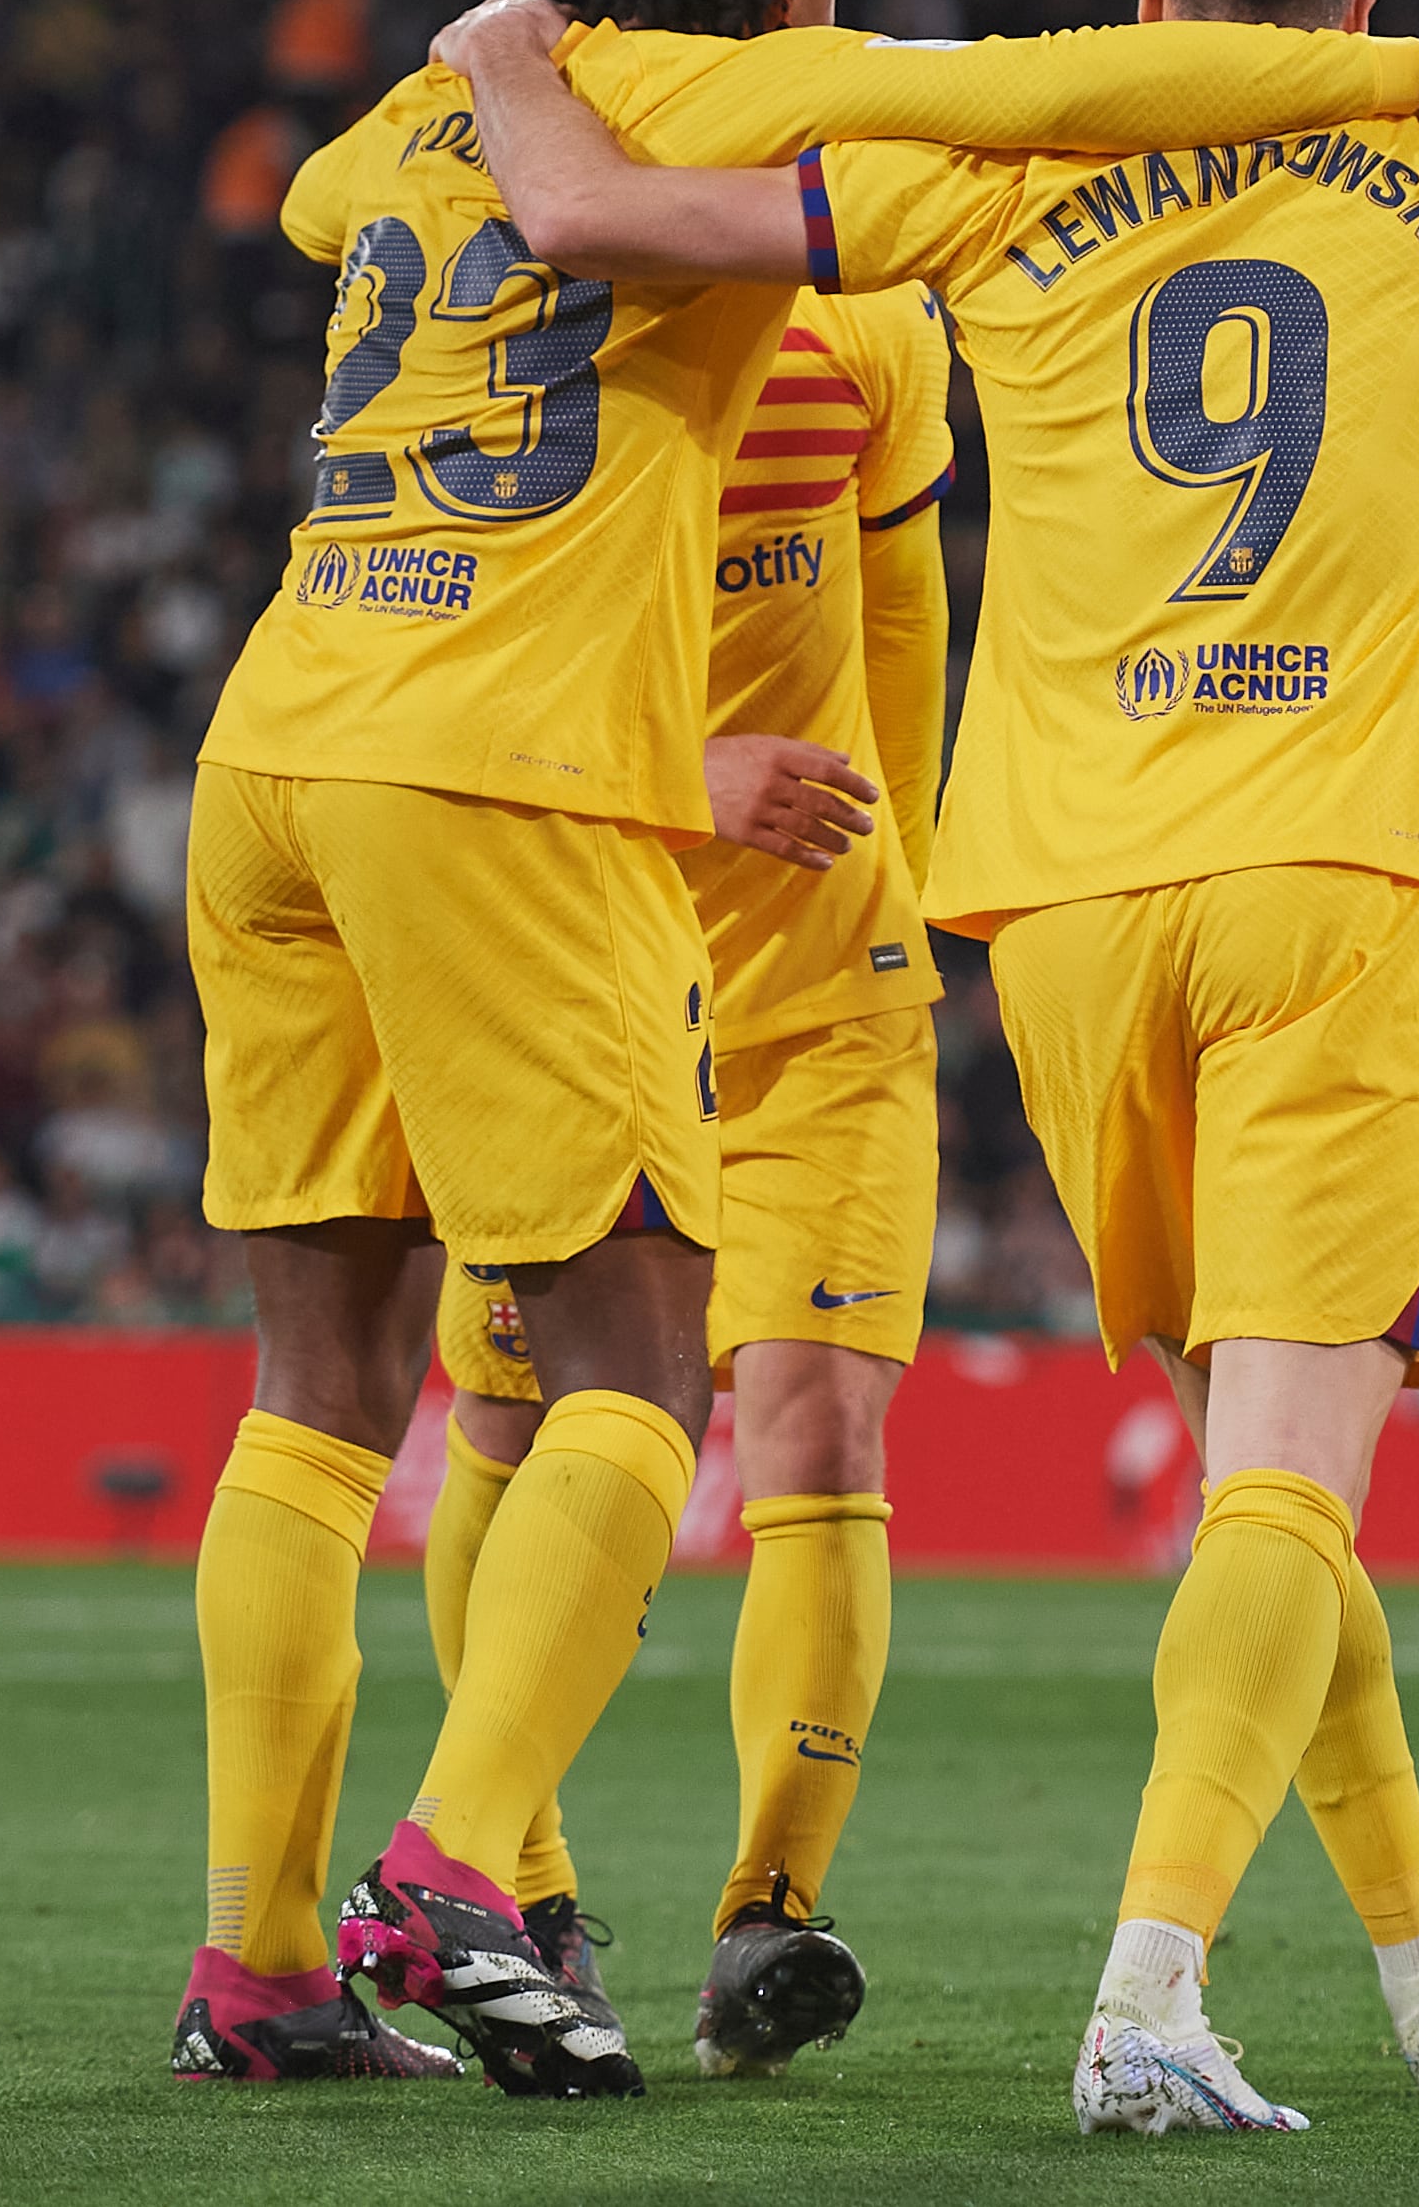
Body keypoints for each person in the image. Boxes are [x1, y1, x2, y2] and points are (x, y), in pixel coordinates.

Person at [173, 0, 1419, 2096]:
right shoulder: (744, 97)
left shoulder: (419, 123)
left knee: (319, 1391)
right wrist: (1409, 71)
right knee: (645, 1364)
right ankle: (457, 1872)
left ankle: (252, 1966)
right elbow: (1073, 82)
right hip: (497, 767)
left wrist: (494, 53)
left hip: (274, 743)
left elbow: (336, 214)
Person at [439, 0, 1419, 2135]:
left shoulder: (997, 189)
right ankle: (1147, 1991)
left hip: (1071, 919)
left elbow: (600, 210)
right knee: (1285, 1497)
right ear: (1357, 8)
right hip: (1335, 882)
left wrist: (506, 61)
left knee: (1263, 1470)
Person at [423, 272, 953, 2084]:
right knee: (509, 1434)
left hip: (829, 993)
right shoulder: (510, 345)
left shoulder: (869, 320)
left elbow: (901, 615)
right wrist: (677, 769)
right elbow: (431, 702)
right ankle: (529, 1897)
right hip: (580, 962)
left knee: (819, 1431)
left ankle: (769, 1915)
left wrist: (924, 868)